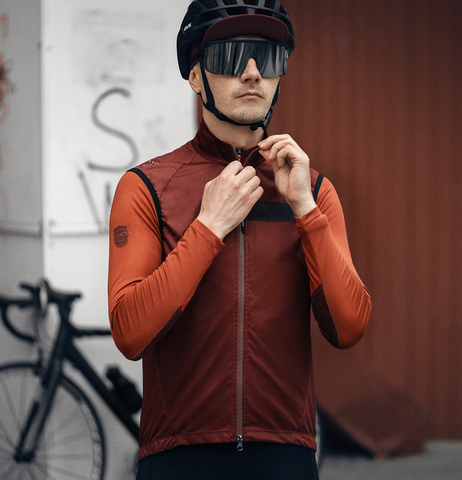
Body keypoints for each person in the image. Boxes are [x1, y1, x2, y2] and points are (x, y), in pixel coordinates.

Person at [108, 1, 372, 478]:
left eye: (266, 57)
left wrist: (305, 212)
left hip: (284, 456)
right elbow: (130, 332)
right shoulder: (147, 186)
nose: (252, 73)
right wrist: (207, 228)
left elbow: (349, 327)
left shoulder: (311, 189)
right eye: (232, 55)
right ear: (195, 76)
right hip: (177, 456)